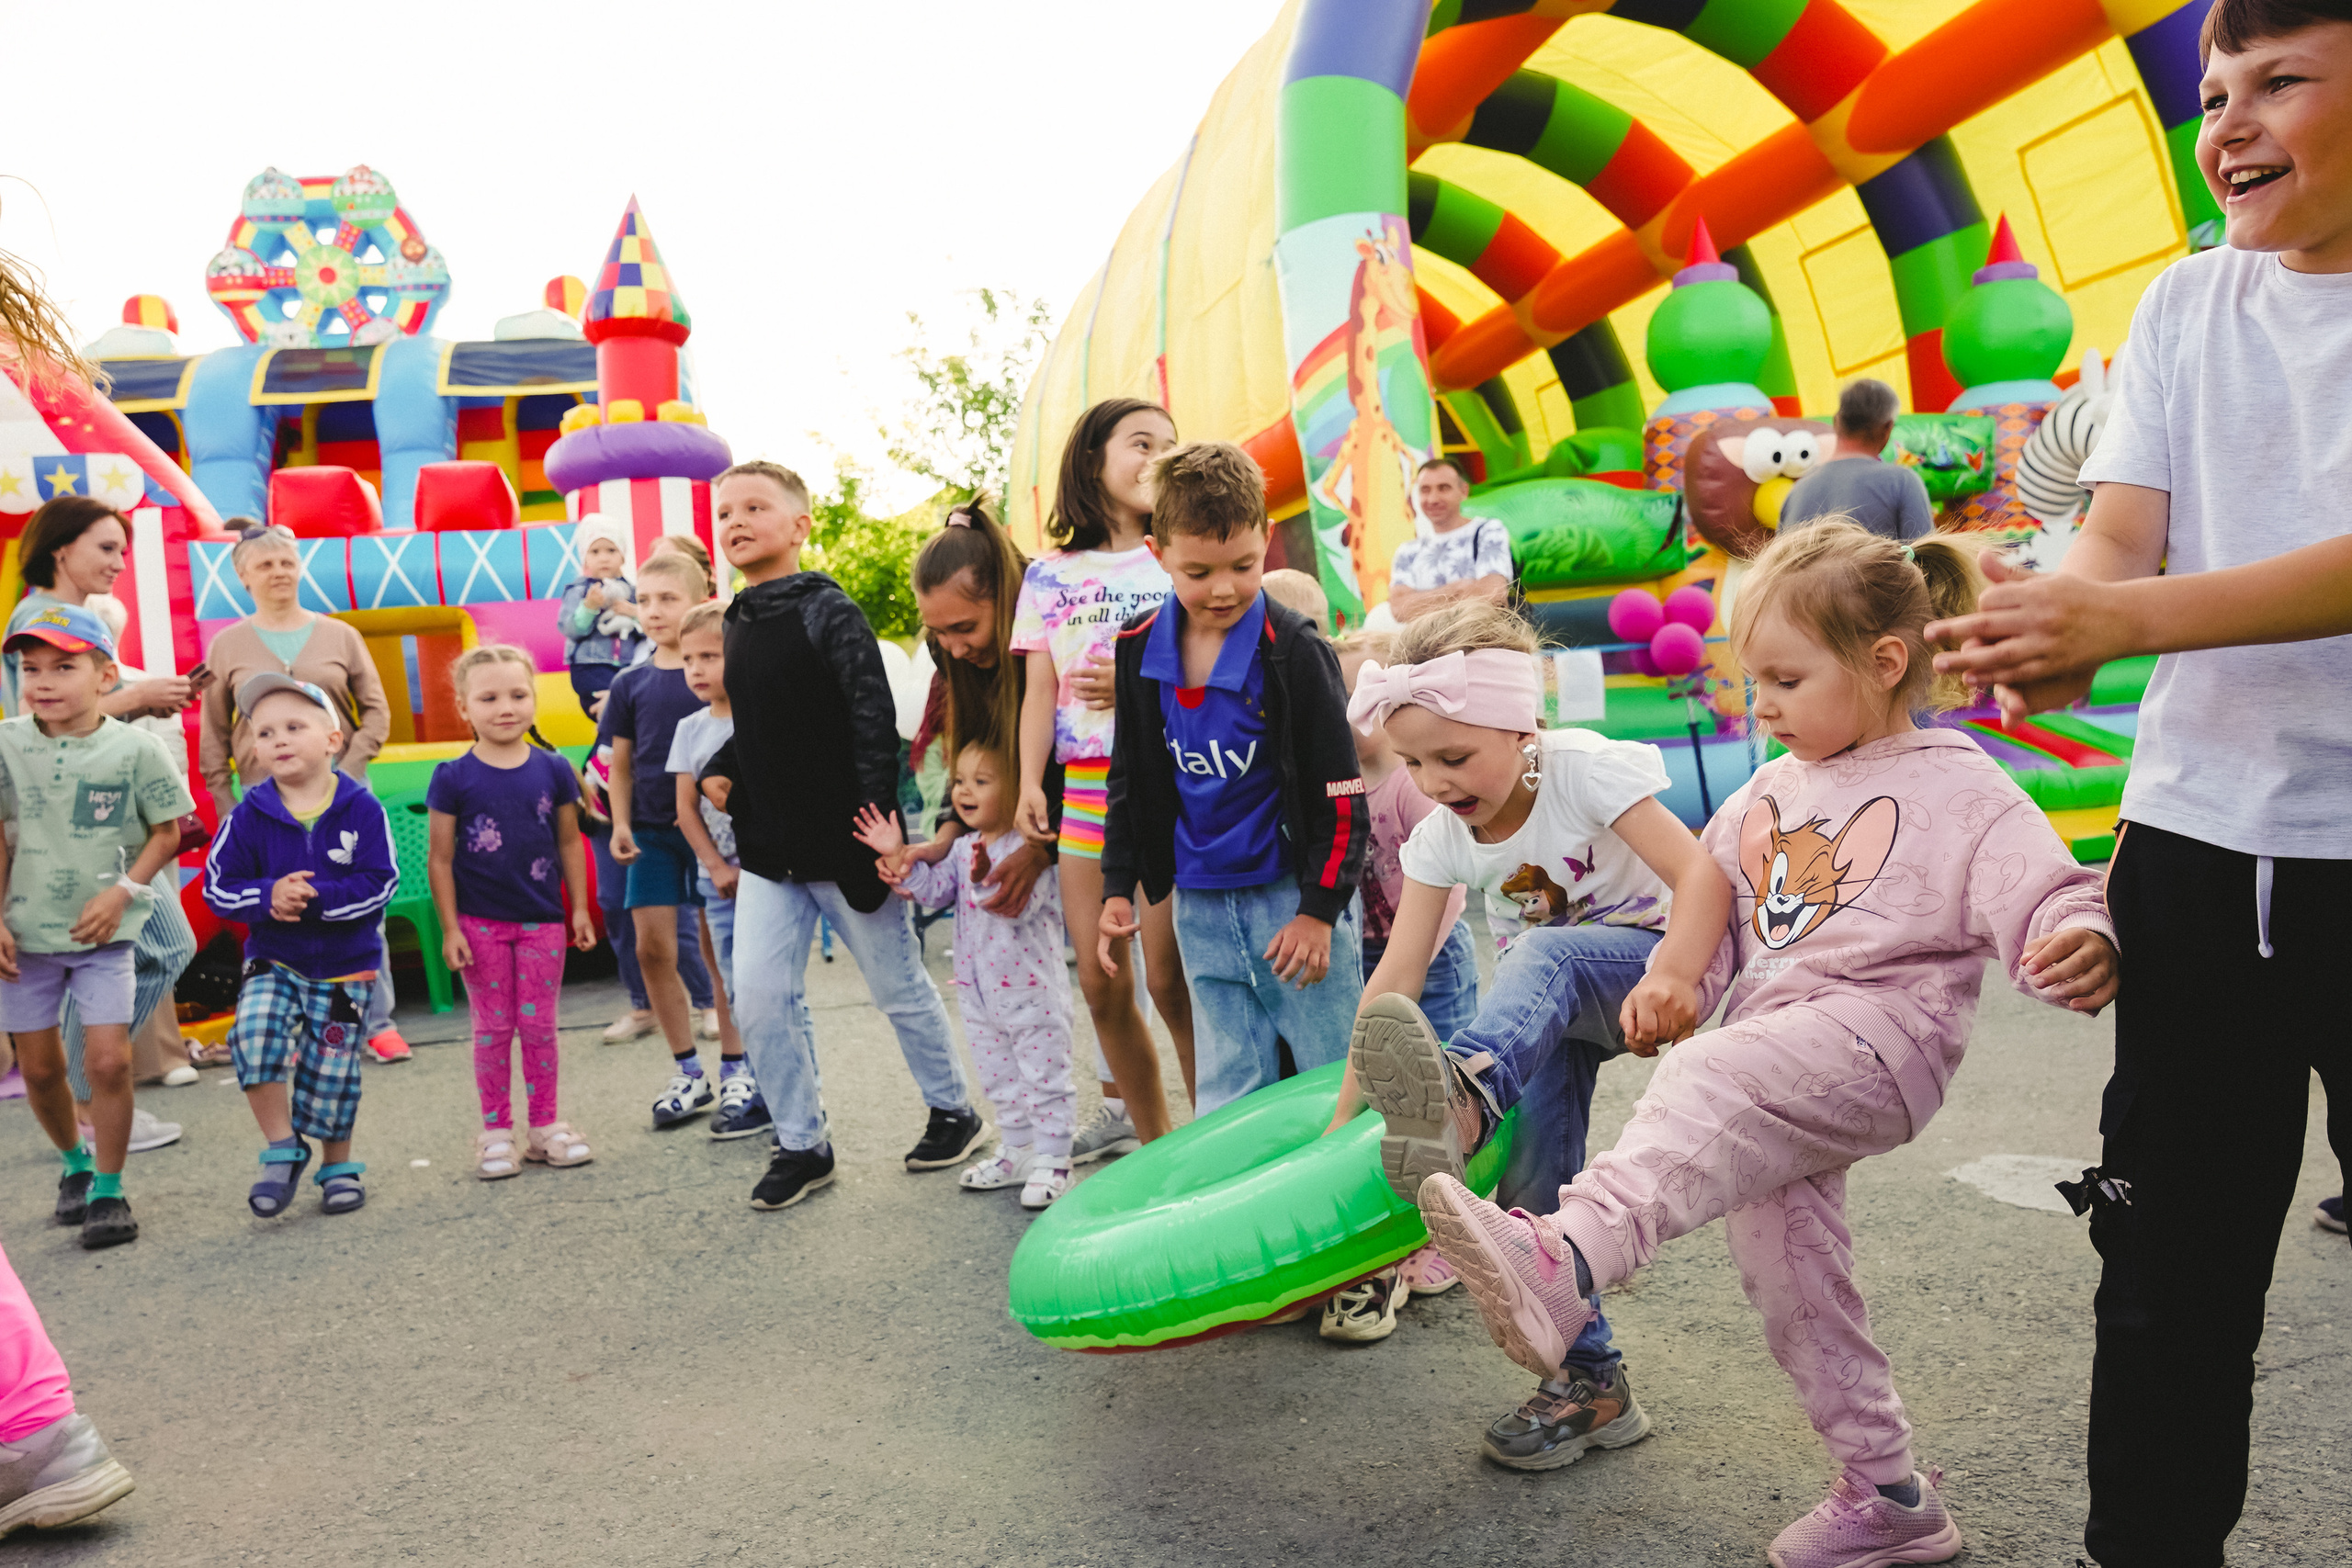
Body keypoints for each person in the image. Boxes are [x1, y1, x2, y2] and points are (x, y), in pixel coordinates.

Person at [1419, 522, 2120, 1567]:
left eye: (1787, 679)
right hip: (1780, 1051)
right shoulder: (1768, 788)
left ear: (1886, 664)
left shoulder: (1956, 783)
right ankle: (1890, 1495)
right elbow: (1711, 897)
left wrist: (2080, 934)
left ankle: (1568, 1255)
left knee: (1712, 1071)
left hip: (1883, 1043)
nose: (1764, 704)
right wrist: (1674, 980)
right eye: (1754, 682)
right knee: (1792, 1274)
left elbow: (2045, 883)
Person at [1920, 7, 2352, 1562]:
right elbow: (2118, 532)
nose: (2227, 120)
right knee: (2171, 1266)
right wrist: (2057, 623)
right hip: (2194, 846)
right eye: (2213, 90)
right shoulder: (2184, 304)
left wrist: (2130, 615)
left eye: (2279, 82)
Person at [1329, 602, 1730, 1437]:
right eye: (1414, 762)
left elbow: (1701, 877)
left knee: (1538, 954)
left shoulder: (1583, 768)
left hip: (1656, 966)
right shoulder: (1442, 833)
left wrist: (1677, 974)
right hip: (1549, 1012)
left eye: (1454, 756)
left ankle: (1466, 1097)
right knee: (1530, 1185)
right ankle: (1593, 1384)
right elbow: (1393, 980)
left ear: (1523, 730)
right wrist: (1344, 1117)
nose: (1435, 782)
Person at [699, 460, 985, 1212]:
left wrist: (882, 825)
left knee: (896, 986)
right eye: (724, 510)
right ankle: (802, 1142)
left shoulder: (830, 610)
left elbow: (867, 716)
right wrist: (724, 766)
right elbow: (760, 720)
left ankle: (954, 1110)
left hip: (848, 837)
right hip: (767, 847)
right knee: (758, 993)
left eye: (754, 507)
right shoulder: (736, 617)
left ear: (799, 525)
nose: (735, 520)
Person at [1097, 441, 1367, 1112]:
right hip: (1199, 903)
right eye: (1198, 570)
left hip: (1292, 899)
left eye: (1244, 565)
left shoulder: (1294, 648)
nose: (1223, 588)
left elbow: (1341, 790)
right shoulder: (1136, 649)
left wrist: (1318, 912)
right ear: (1157, 552)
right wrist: (1116, 883)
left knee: (1335, 1075)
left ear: (1268, 542)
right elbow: (1130, 775)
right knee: (1228, 1088)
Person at [907, 498, 1136, 1166]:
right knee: (1087, 977)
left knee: (1126, 968)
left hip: (1099, 801)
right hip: (1033, 823)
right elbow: (974, 745)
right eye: (938, 632)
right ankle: (1096, 1117)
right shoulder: (954, 650)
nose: (951, 645)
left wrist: (1042, 848)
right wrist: (952, 829)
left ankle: (1136, 1112)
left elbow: (1074, 743)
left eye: (964, 626)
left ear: (1007, 596)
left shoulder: (1058, 606)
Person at [1013, 400, 1195, 1133]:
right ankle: (1159, 1149)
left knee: (1171, 978)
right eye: (1141, 442)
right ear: (1092, 460)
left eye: (1170, 445)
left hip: (1169, 784)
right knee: (1100, 980)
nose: (1158, 456)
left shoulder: (1178, 557)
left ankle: (1224, 1138)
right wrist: (1030, 780)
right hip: (1083, 791)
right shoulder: (1048, 575)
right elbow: (1038, 690)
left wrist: (1132, 684)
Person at [6, 498, 201, 1147]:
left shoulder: (69, 615)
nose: (119, 562)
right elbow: (40, 724)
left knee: (142, 948)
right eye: (106, 548)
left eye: (122, 548)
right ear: (62, 550)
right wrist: (140, 698)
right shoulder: (42, 618)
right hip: (70, 833)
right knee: (168, 942)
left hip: (99, 823)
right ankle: (88, 1101)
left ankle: (87, 1098)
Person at [0, 603, 193, 1248]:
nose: (43, 681)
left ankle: (109, 1187)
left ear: (105, 675)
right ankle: (74, 1165)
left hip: (103, 936)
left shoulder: (134, 748)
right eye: (31, 667)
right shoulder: (5, 742)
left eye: (63, 665)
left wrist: (125, 892)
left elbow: (168, 832)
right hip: (24, 937)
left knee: (108, 1061)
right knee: (42, 1069)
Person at [1310, 629, 1482, 1347]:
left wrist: (1421, 954)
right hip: (1376, 951)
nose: (1356, 711)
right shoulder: (1341, 776)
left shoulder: (1411, 783)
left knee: (1443, 1087)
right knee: (1396, 1094)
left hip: (1431, 960)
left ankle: (1451, 1234)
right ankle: (1408, 1224)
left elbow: (1445, 895)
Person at [197, 521, 410, 1065]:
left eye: (287, 562)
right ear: (243, 577)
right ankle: (295, 1027)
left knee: (360, 907)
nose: (279, 573)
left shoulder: (341, 636)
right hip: (262, 800)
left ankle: (373, 1021)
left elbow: (376, 709)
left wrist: (350, 765)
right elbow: (215, 733)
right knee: (279, 907)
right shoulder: (228, 645)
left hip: (339, 794)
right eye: (265, 565)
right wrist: (226, 804)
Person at [202, 673, 398, 1219]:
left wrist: (312, 899)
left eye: (294, 727)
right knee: (254, 1033)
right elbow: (218, 886)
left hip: (346, 969)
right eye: (265, 733)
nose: (279, 740)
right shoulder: (248, 815)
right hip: (275, 960)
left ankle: (338, 1166)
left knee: (332, 1067)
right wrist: (268, 896)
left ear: (333, 740)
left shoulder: (360, 808)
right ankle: (282, 1146)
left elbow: (380, 882)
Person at [858, 739, 1076, 1208]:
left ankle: (1055, 1158)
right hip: (978, 993)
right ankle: (1018, 1150)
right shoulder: (962, 846)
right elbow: (935, 891)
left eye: (981, 781)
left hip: (1031, 993)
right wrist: (900, 858)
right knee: (999, 1077)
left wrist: (983, 878)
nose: (964, 790)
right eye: (959, 781)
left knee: (1045, 1077)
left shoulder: (1030, 850)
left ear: (1018, 790)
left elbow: (1019, 910)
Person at [426, 647, 598, 1179]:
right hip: (480, 924)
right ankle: (496, 1132)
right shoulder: (452, 777)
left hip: (543, 921)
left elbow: (570, 843)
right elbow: (441, 857)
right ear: (464, 707)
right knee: (493, 1028)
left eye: (518, 695)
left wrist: (581, 911)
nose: (506, 707)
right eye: (489, 697)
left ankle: (544, 1127)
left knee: (540, 1025)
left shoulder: (554, 770)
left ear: (533, 698)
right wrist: (451, 927)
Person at [601, 548, 744, 1127]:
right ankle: (687, 1070)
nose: (653, 611)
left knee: (720, 954)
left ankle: (737, 1066)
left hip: (717, 838)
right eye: (644, 599)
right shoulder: (628, 683)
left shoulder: (714, 670)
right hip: (653, 835)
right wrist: (620, 822)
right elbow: (620, 765)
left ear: (699, 600)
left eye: (668, 599)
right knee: (652, 948)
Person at [667, 600, 771, 1142]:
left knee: (767, 983)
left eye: (711, 656)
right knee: (731, 978)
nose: (698, 670)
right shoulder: (689, 728)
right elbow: (685, 809)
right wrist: (713, 865)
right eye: (689, 660)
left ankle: (776, 1080)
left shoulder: (761, 716)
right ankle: (747, 1076)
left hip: (766, 873)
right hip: (719, 879)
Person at [1776, 378, 1934, 542]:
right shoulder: (1902, 482)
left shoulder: (1797, 491)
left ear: (1836, 421)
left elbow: (1777, 564)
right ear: (1887, 428)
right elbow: (1927, 559)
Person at [1385, 457, 1511, 622]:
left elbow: (1493, 597)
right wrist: (1459, 588)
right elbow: (1399, 609)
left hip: (1479, 641)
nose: (1433, 499)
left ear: (1464, 491)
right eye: (1425, 490)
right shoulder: (1408, 551)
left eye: (1443, 488)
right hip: (1428, 645)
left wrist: (1420, 601)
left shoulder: (1487, 531)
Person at [557, 514, 641, 713]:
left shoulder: (634, 591)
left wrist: (634, 612)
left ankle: (608, 743)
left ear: (623, 556)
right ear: (585, 558)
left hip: (626, 664)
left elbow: (650, 625)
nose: (604, 557)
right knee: (614, 709)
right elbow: (571, 629)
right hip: (590, 666)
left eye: (611, 550)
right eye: (595, 552)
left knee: (624, 714)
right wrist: (589, 607)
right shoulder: (579, 590)